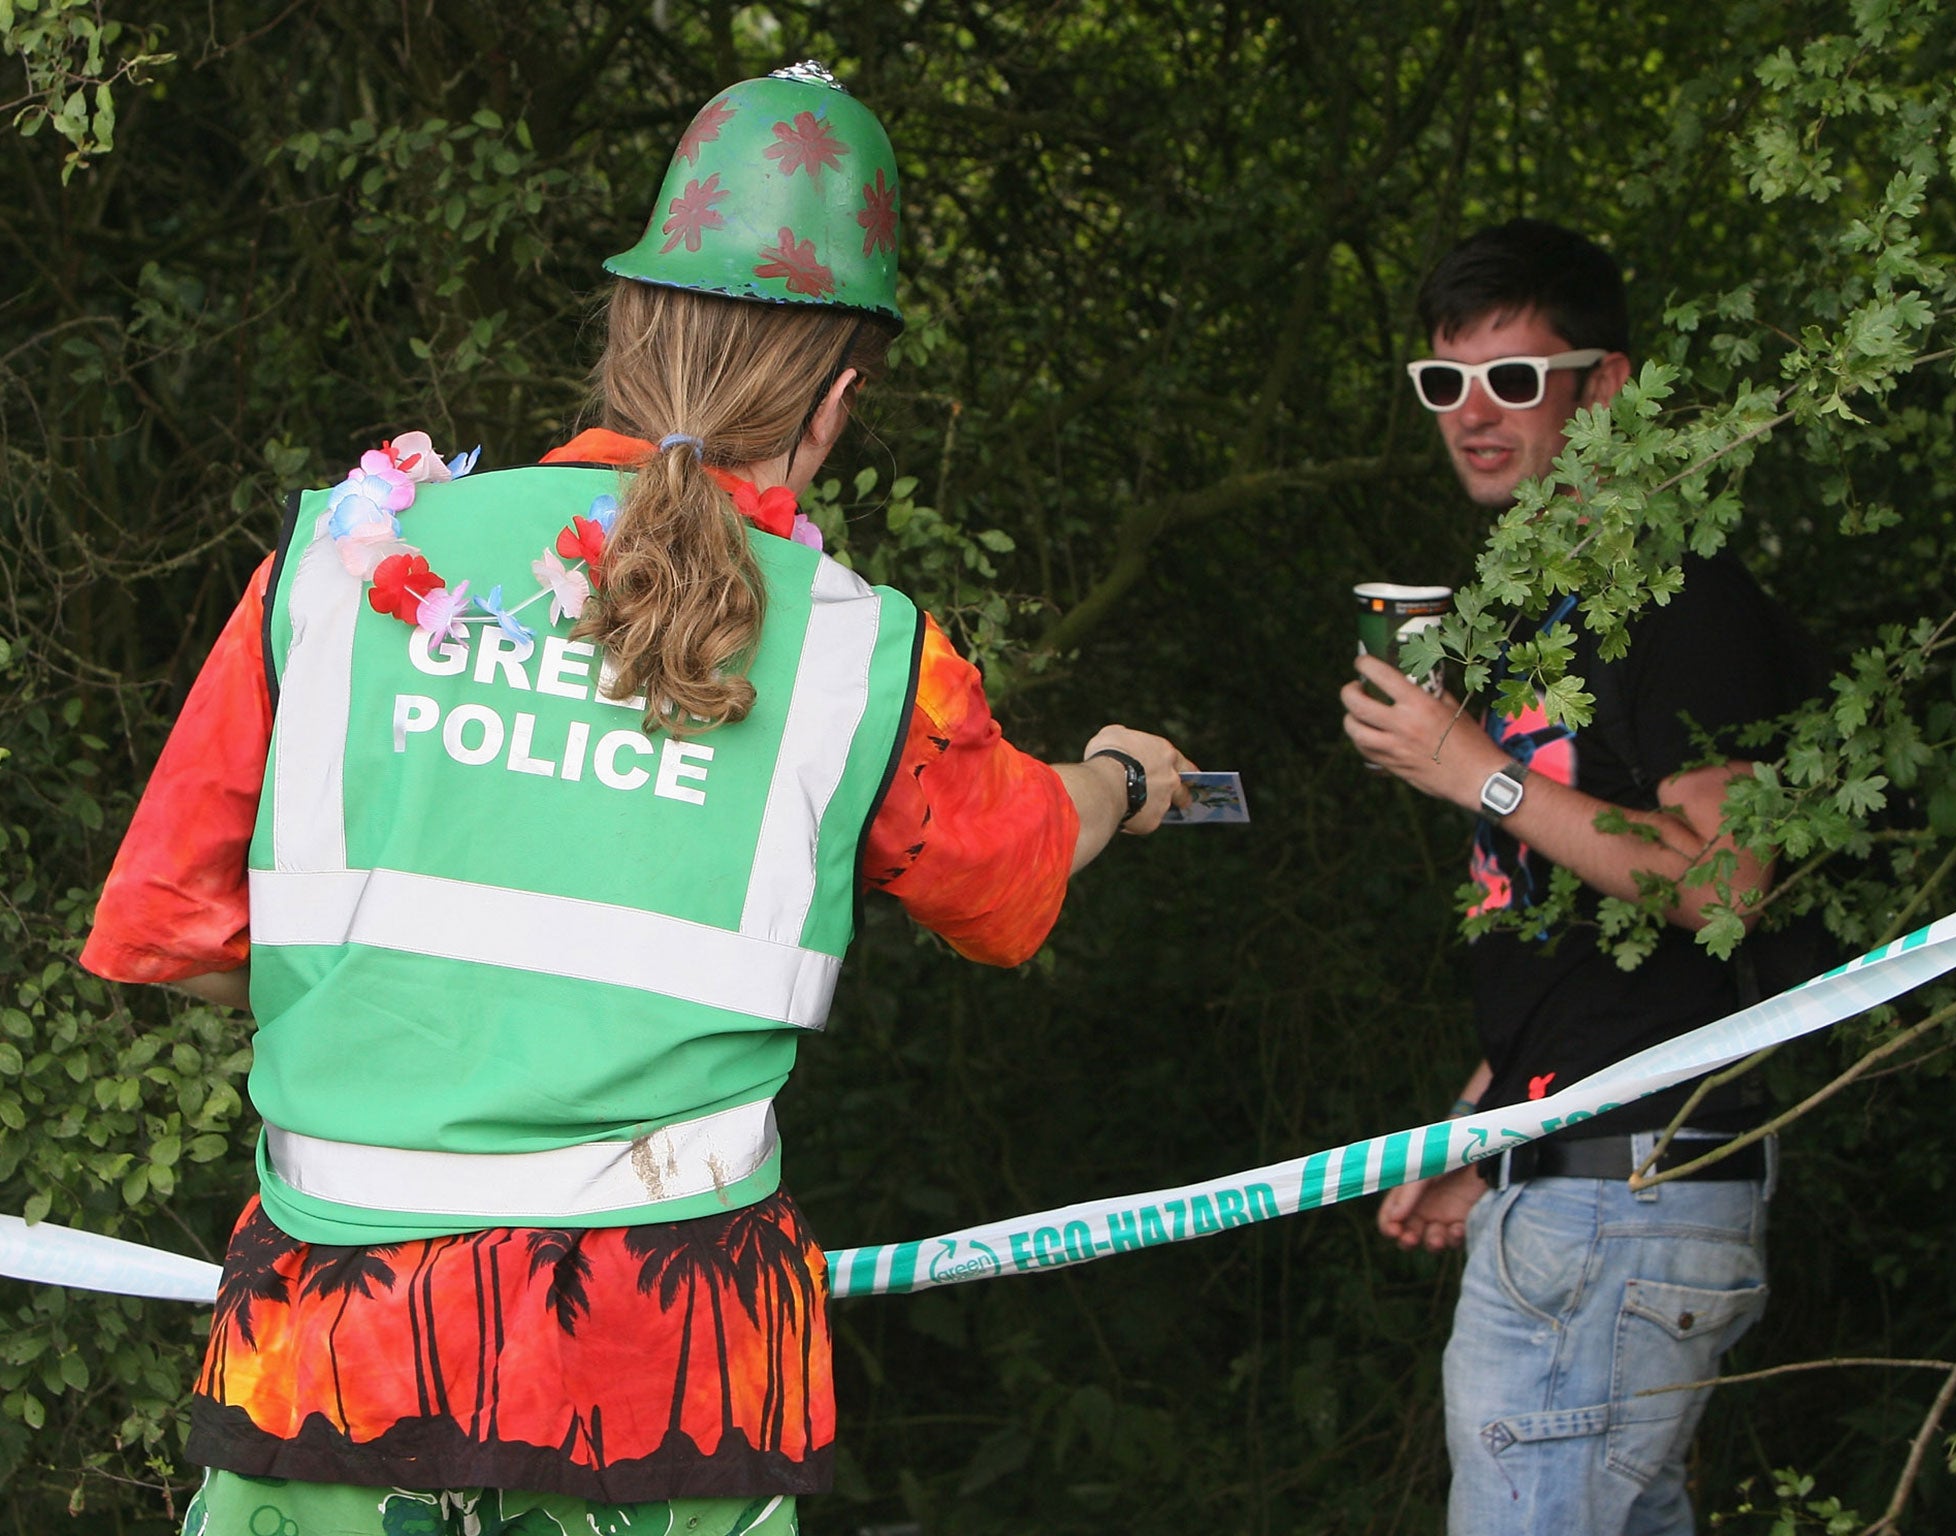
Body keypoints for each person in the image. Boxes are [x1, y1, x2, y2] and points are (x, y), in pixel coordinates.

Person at [82, 63, 1192, 1536]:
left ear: (621, 329)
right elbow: (1009, 877)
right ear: (843, 397)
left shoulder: (350, 564)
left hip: (329, 1356)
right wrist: (1119, 777)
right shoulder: (857, 652)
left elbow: (176, 917)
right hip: (663, 1379)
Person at [1339, 219, 1813, 1536]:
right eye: (1446, 385)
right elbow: (1581, 958)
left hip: (1630, 1205)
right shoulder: (1538, 620)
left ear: (1604, 387)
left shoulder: (1688, 605)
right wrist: (1487, 1133)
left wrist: (1476, 772)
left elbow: (1723, 886)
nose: (1473, 416)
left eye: (1514, 379)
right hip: (1567, 1188)